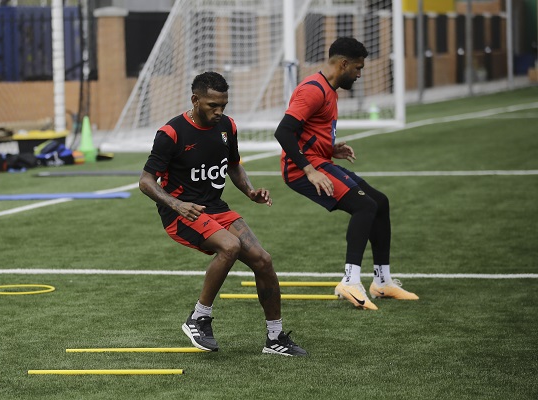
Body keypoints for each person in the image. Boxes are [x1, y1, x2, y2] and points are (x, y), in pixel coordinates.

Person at [139, 71, 307, 356]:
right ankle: (198, 318)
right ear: (195, 100)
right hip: (182, 213)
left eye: (223, 106)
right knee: (230, 246)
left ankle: (275, 338)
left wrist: (250, 191)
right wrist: (177, 205)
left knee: (263, 261)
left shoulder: (228, 126)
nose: (219, 112)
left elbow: (233, 165)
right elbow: (145, 181)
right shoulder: (171, 133)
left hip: (216, 208)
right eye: (212, 106)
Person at [273, 37, 418, 311]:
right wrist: (309, 170)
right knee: (364, 205)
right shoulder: (313, 90)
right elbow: (283, 132)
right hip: (300, 169)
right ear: (343, 63)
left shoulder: (330, 89)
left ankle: (382, 282)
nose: (360, 74)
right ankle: (350, 280)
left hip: (317, 161)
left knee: (380, 203)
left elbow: (308, 132)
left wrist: (330, 148)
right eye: (358, 68)